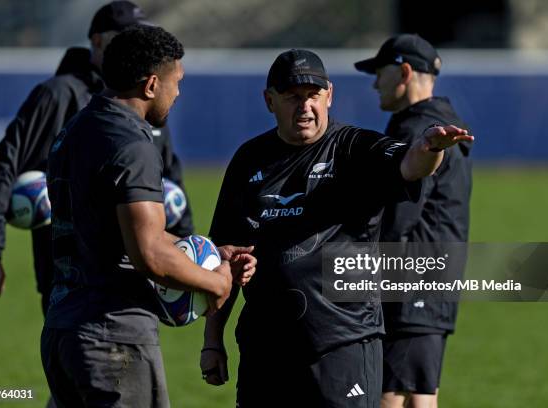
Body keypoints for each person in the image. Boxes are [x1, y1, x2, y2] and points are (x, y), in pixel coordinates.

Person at [200, 48, 473, 408]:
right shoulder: (248, 160)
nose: (305, 107)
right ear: (270, 100)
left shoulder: (355, 149)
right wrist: (212, 340)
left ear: (329, 95)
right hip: (265, 349)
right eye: (292, 98)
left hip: (343, 346)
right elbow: (225, 257)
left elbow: (408, 165)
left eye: (313, 96)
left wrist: (429, 148)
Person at [41, 25, 255, 407]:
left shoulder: (76, 129)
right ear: (152, 84)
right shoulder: (131, 144)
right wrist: (216, 283)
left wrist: (208, 251)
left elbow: (114, 231)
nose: (178, 93)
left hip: (63, 329)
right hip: (113, 337)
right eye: (177, 82)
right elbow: (150, 255)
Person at [0, 0, 194, 314]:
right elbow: (3, 166)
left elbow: (170, 185)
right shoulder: (59, 95)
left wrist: (188, 252)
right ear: (98, 41)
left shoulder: (146, 101)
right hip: (68, 271)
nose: (135, 47)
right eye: (124, 37)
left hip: (134, 270)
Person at [355, 34, 472, 408]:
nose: (375, 82)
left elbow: (396, 219)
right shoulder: (437, 125)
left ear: (404, 71)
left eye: (380, 72)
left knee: (393, 394)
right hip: (429, 281)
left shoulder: (419, 132)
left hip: (410, 284)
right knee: (416, 395)